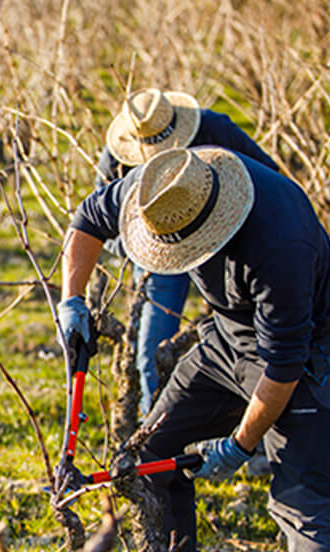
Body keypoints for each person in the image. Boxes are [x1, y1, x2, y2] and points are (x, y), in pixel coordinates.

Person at [57, 146, 330, 552]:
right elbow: (85, 220)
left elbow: (283, 366)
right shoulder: (160, 189)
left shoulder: (277, 242)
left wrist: (241, 444)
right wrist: (71, 302)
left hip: (305, 357)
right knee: (149, 454)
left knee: (301, 502)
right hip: (224, 340)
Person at [95, 88, 279, 417]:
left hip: (225, 244)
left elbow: (270, 177)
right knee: (151, 349)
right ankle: (153, 430)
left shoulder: (215, 131)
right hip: (161, 253)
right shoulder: (118, 153)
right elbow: (98, 218)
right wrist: (142, 246)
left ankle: (260, 431)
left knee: (253, 341)